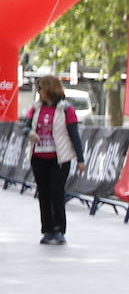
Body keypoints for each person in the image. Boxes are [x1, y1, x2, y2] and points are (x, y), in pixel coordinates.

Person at [21, 75, 85, 245]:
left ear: (49, 89)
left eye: (41, 88)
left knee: (56, 192)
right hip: (38, 157)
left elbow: (74, 135)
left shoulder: (66, 110)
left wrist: (80, 159)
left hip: (59, 158)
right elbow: (25, 127)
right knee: (43, 193)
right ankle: (47, 229)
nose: (39, 92)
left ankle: (59, 229)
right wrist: (29, 133)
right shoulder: (35, 108)